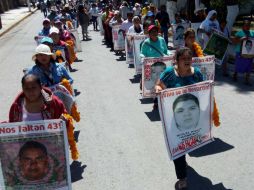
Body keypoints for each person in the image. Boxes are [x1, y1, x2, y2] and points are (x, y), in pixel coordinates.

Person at [155, 47, 203, 190]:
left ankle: (184, 157)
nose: (187, 61)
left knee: (188, 142)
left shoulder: (197, 74)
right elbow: (158, 85)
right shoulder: (170, 73)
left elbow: (203, 90)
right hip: (175, 117)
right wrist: (158, 89)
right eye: (184, 58)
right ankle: (182, 178)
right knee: (178, 147)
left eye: (189, 58)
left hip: (193, 117)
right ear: (177, 61)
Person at [231, 20, 254, 85]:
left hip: (250, 53)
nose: (247, 27)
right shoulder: (239, 33)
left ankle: (247, 79)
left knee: (249, 66)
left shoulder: (252, 33)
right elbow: (234, 42)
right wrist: (241, 39)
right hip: (240, 52)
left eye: (249, 25)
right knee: (238, 65)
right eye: (246, 25)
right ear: (243, 26)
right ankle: (235, 75)